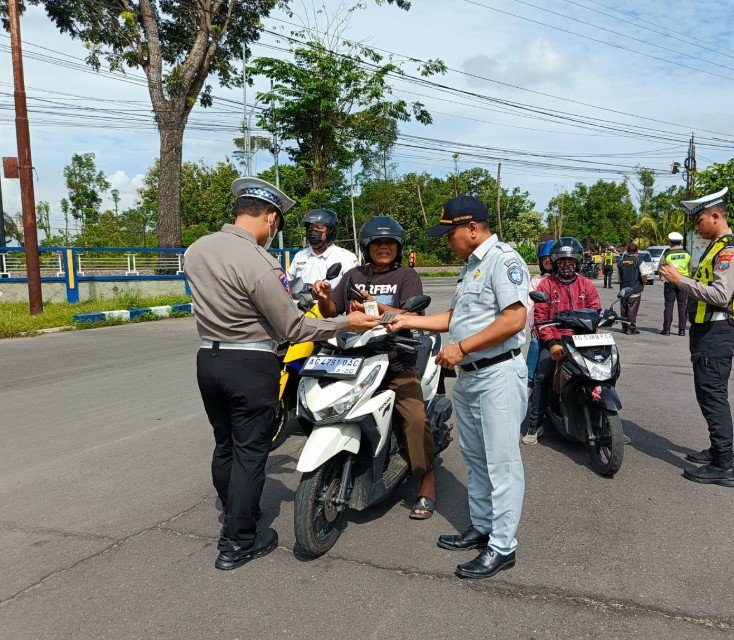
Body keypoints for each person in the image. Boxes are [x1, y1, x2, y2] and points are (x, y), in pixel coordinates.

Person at [184, 177, 380, 571]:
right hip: (250, 365)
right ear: (271, 217)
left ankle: (234, 512)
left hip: (209, 359)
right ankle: (238, 541)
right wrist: (346, 323)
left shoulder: (196, 249)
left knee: (224, 445)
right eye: (279, 223)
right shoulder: (260, 260)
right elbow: (295, 328)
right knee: (250, 453)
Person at [388, 195, 528, 580]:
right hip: (469, 377)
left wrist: (462, 348)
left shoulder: (504, 260)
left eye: (450, 232)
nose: (446, 240)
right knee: (478, 459)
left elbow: (515, 319)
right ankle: (482, 527)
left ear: (471, 227)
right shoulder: (471, 267)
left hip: (497, 375)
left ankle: (502, 546)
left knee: (502, 463)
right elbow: (456, 316)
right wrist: (406, 320)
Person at [314, 216, 438, 519]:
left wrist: (378, 306)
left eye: (389, 243)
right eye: (377, 243)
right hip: (356, 359)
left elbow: (413, 313)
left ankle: (427, 480)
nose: (384, 248)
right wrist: (323, 297)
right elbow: (333, 310)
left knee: (416, 418)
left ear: (398, 247)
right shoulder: (354, 274)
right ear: (367, 247)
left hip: (396, 361)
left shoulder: (406, 275)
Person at [658, 187, 734, 488]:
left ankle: (724, 465)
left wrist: (679, 281)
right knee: (707, 394)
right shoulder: (715, 247)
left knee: (713, 397)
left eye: (699, 221)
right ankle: (718, 451)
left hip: (717, 333)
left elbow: (721, 294)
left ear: (715, 216)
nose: (697, 227)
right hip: (706, 332)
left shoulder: (729, 251)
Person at [524, 237, 601, 445]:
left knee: (603, 372)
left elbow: (595, 311)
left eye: (571, 262)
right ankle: (534, 423)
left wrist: (596, 328)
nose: (567, 266)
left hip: (582, 340)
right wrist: (552, 343)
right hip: (556, 341)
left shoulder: (587, 285)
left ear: (577, 263)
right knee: (542, 376)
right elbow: (540, 319)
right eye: (562, 262)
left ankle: (606, 420)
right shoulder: (546, 285)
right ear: (556, 262)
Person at [286, 208, 358, 288]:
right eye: (311, 228)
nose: (313, 231)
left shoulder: (346, 257)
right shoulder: (300, 256)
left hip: (330, 300)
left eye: (318, 228)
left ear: (330, 232)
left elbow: (354, 287)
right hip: (302, 299)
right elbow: (288, 283)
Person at [525, 240, 555, 395]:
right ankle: (528, 385)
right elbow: (530, 307)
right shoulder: (536, 281)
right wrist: (535, 326)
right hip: (543, 326)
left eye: (550, 257)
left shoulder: (572, 278)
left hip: (567, 327)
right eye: (544, 259)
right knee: (536, 344)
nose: (548, 261)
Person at [660, 232, 691, 336]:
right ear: (680, 242)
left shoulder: (667, 254)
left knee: (669, 305)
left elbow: (661, 267)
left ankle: (667, 330)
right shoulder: (687, 253)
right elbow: (690, 267)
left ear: (670, 242)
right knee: (683, 305)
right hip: (683, 281)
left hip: (669, 282)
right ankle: (682, 330)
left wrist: (662, 278)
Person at [616, 242, 649, 334]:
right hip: (634, 290)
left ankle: (624, 327)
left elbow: (619, 278)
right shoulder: (639, 261)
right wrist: (643, 283)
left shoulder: (620, 262)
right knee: (632, 309)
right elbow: (644, 275)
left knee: (624, 309)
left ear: (627, 251)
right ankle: (631, 328)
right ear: (637, 251)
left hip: (623, 290)